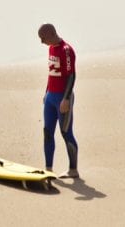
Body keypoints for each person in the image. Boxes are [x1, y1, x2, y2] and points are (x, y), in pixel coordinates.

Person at [39, 23, 79, 178]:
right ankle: (48, 169)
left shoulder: (66, 50)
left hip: (63, 98)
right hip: (50, 97)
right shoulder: (51, 48)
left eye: (43, 38)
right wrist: (46, 92)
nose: (42, 42)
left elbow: (71, 75)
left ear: (50, 34)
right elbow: (52, 73)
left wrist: (66, 98)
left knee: (66, 133)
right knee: (47, 132)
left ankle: (73, 170)